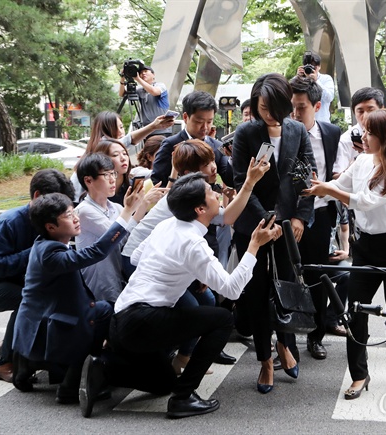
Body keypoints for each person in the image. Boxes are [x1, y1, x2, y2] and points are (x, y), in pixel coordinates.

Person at [110, 172, 277, 418]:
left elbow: (136, 257)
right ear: (200, 208)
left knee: (164, 384)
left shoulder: (167, 225)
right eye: (211, 192)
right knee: (222, 319)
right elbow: (232, 289)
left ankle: (102, 370)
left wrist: (183, 271)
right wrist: (254, 246)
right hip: (142, 322)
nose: (217, 192)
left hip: (120, 318)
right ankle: (183, 398)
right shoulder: (193, 242)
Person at [303, 109, 386, 400]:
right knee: (355, 311)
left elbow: (366, 202)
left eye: (369, 132)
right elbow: (340, 186)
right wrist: (313, 189)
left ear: (384, 136)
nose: (363, 136)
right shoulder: (362, 161)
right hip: (366, 246)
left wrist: (327, 190)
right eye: (363, 131)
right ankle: (360, 374)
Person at [121, 139, 270, 370]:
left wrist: (249, 183)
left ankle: (185, 356)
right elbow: (145, 256)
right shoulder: (183, 207)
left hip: (155, 260)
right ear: (190, 174)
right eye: (206, 165)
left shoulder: (190, 199)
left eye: (213, 160)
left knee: (208, 300)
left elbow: (227, 217)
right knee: (194, 310)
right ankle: (180, 362)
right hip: (140, 258)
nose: (214, 168)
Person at [12, 187, 143, 403]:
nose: (76, 218)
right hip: (51, 323)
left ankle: (28, 366)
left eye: (74, 211)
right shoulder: (51, 253)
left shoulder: (44, 244)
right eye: (68, 215)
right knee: (99, 314)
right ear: (51, 226)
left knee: (101, 308)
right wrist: (127, 211)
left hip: (38, 320)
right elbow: (97, 251)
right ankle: (70, 386)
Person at [232, 73, 316, 393]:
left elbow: (305, 175)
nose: (268, 114)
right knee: (255, 292)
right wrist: (265, 220)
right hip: (253, 226)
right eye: (262, 107)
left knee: (286, 289)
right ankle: (266, 360)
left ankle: (285, 346)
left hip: (288, 226)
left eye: (273, 108)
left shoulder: (296, 130)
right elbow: (243, 181)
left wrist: (300, 218)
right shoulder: (245, 132)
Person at [0, 169, 74, 383]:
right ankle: (4, 364)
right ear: (37, 197)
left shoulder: (47, 221)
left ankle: (16, 346)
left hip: (6, 279)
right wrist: (36, 251)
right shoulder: (9, 221)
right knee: (28, 298)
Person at [289, 75, 343, 360]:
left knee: (317, 276)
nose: (295, 114)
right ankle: (285, 341)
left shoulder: (331, 133)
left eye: (301, 108)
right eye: (292, 107)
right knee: (286, 275)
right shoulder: (284, 133)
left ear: (317, 106)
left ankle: (316, 336)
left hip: (321, 214)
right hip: (291, 217)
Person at [326, 87, 385, 337]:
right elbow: (339, 177)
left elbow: (370, 199)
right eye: (359, 111)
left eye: (370, 110)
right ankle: (347, 324)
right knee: (356, 283)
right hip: (355, 217)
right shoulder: (347, 141)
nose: (364, 116)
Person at [75, 153, 166, 304]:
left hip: (120, 277)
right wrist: (134, 208)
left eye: (113, 173)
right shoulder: (84, 211)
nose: (112, 179)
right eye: (106, 175)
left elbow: (129, 238)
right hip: (102, 284)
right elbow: (116, 237)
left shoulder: (116, 208)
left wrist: (138, 206)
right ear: (88, 180)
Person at [71, 111, 173, 201]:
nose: (121, 132)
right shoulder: (96, 157)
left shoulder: (126, 185)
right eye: (115, 128)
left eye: (121, 127)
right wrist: (153, 126)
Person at [151, 91, 232, 187]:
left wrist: (233, 157)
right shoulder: (170, 145)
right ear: (185, 117)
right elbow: (158, 181)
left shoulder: (217, 146)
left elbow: (230, 179)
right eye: (199, 121)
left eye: (209, 121)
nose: (205, 127)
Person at [118, 62, 172, 136]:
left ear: (153, 75)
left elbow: (154, 92)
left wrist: (138, 79)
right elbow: (121, 94)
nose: (143, 73)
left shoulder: (160, 85)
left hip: (163, 130)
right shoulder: (140, 90)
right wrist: (122, 78)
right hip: (148, 130)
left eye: (146, 71)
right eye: (141, 73)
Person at [296, 52, 335, 123]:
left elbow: (329, 98)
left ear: (319, 66)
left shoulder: (326, 79)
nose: (311, 70)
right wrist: (298, 78)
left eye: (314, 67)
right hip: (302, 123)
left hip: (321, 123)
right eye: (308, 67)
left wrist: (316, 81)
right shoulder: (300, 79)